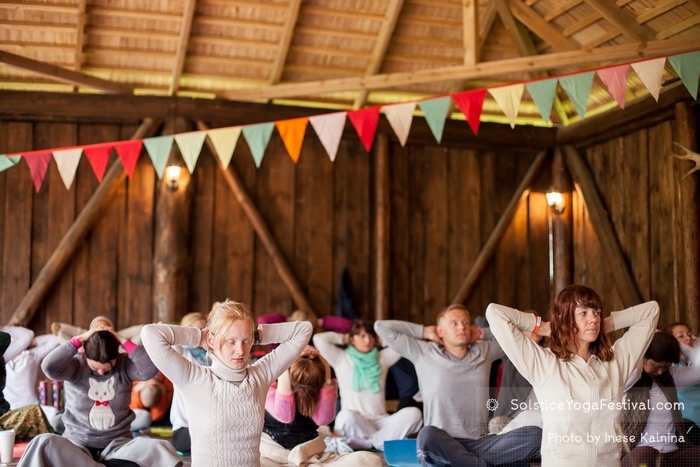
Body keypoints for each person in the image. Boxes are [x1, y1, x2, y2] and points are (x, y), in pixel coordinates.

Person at [485, 284, 659, 466]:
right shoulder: (544, 364)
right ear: (565, 318)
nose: (593, 319)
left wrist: (603, 325)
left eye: (597, 312)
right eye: (583, 313)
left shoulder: (616, 363)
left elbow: (651, 310)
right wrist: (542, 327)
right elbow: (494, 313)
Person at [140, 299, 313, 466]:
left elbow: (304, 329)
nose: (240, 350)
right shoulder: (193, 378)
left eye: (246, 341)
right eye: (231, 341)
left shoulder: (260, 375)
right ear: (212, 340)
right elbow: (150, 334)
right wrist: (200, 337)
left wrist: (257, 335)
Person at [375, 304, 541, 466]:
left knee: (535, 435)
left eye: (465, 323)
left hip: (479, 443)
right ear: (440, 331)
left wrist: (482, 332)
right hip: (441, 443)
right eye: (454, 323)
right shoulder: (423, 352)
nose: (461, 327)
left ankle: (468, 462)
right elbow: (381, 327)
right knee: (427, 434)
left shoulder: (484, 352)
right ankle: (478, 463)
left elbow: (518, 333)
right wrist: (424, 331)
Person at [18, 326, 182, 467]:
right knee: (42, 442)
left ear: (116, 357)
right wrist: (78, 340)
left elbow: (149, 369)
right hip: (77, 447)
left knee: (162, 448)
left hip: (117, 448)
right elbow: (49, 367)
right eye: (95, 367)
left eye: (106, 368)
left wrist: (121, 340)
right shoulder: (76, 365)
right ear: (85, 355)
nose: (101, 372)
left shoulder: (124, 365)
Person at [260, 345, 382, 466]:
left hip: (309, 455)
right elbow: (285, 415)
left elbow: (323, 420)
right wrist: (284, 367)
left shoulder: (320, 390)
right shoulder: (269, 387)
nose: (306, 385)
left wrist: (326, 369)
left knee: (371, 460)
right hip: (273, 455)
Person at [313, 320, 423, 451]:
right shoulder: (341, 358)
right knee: (344, 416)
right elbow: (318, 339)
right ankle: (383, 442)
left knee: (414, 414)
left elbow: (403, 343)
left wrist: (384, 340)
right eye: (362, 336)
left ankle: (370, 442)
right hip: (356, 423)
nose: (368, 340)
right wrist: (344, 338)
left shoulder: (382, 358)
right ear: (352, 338)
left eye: (371, 336)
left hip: (382, 422)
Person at [620, 331, 700, 466]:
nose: (661, 371)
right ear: (643, 356)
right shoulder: (627, 380)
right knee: (645, 454)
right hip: (640, 455)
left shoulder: (670, 378)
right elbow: (633, 365)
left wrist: (676, 344)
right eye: (657, 366)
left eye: (666, 367)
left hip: (671, 455)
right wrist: (645, 340)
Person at [2, 325, 60, 438]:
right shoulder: (3, 357)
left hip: (31, 407)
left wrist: (33, 342)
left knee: (54, 415)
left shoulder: (31, 356)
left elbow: (54, 340)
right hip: (9, 411)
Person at [168, 312, 209, 454]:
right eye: (197, 331)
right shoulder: (180, 356)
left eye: (205, 329)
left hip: (209, 426)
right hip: (184, 430)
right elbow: (164, 337)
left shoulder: (213, 358)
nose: (202, 335)